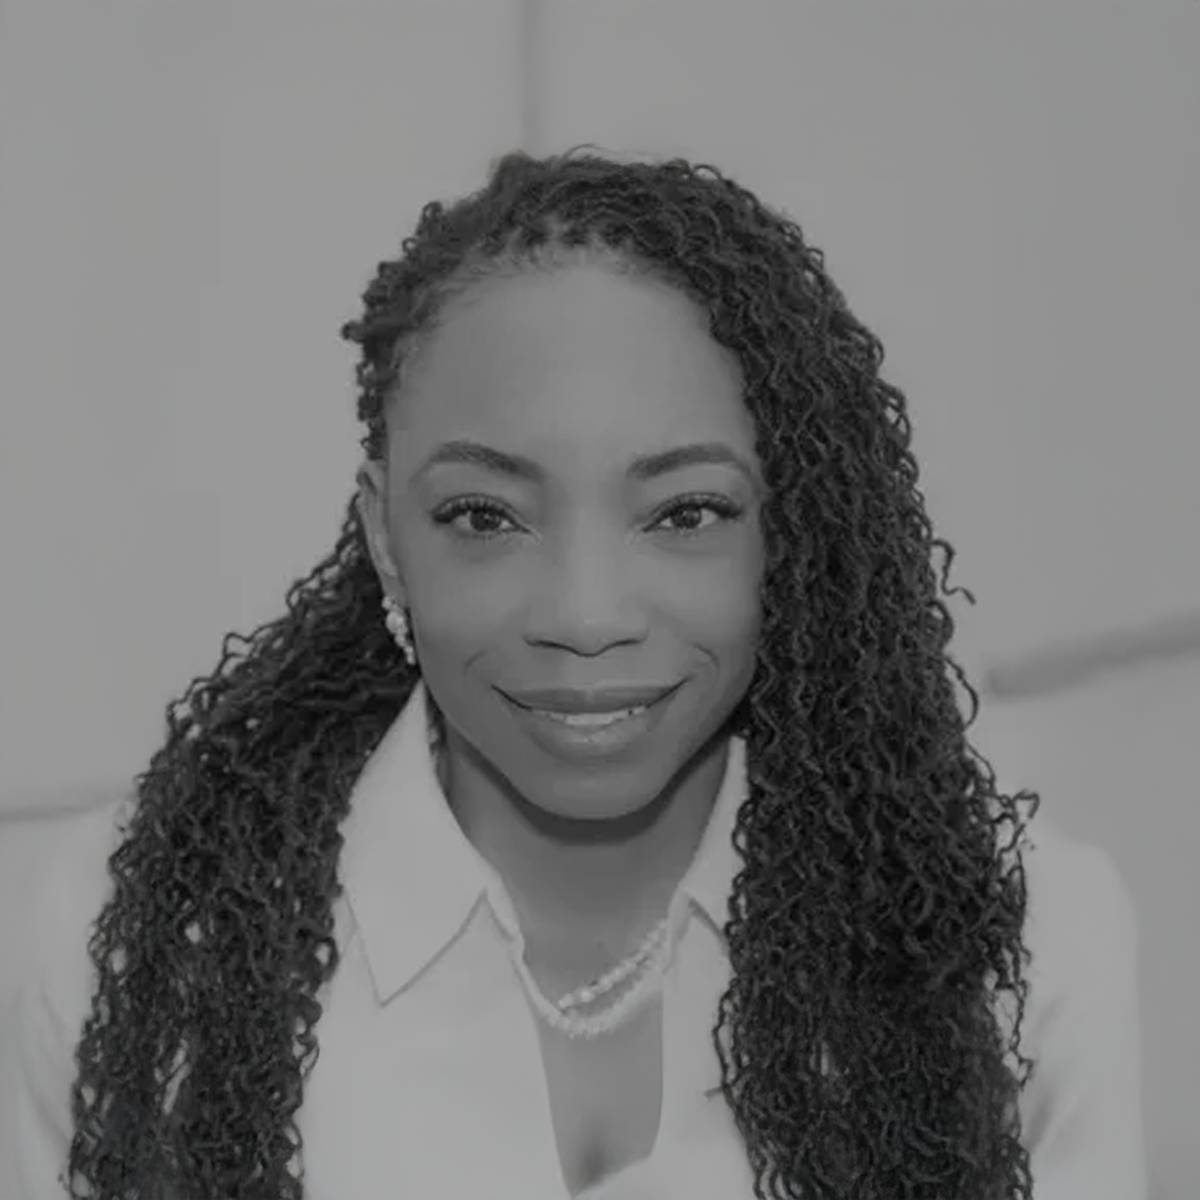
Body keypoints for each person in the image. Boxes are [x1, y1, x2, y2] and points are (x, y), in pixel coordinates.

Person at [0, 147, 1147, 1200]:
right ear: (387, 535)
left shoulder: (1023, 946)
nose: (586, 618)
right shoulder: (144, 945)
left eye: (686, 511)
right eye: (485, 515)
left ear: (790, 533)